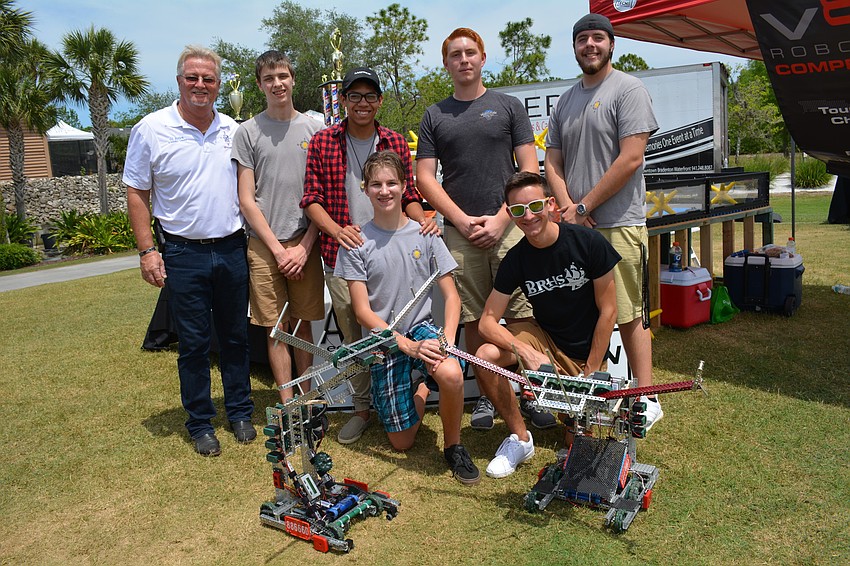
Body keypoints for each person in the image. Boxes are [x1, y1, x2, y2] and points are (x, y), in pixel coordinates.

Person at [125, 45, 254, 457]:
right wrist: (148, 250)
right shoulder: (150, 128)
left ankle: (240, 412)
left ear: (218, 85)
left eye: (209, 79)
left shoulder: (233, 130)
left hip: (233, 248)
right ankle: (200, 422)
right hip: (182, 252)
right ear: (179, 81)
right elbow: (136, 191)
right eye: (192, 78)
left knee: (236, 337)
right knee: (195, 343)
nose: (201, 85)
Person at [416, 28, 548, 432]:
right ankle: (489, 398)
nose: (463, 60)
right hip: (460, 233)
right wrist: (458, 219)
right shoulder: (435, 115)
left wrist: (503, 217)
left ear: (483, 58)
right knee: (474, 320)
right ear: (446, 64)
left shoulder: (508, 107)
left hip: (510, 227)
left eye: (470, 52)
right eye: (455, 54)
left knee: (522, 313)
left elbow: (529, 169)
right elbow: (425, 178)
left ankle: (532, 393)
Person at [301, 67, 437, 445]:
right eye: (354, 96)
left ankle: (408, 390)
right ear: (343, 101)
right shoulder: (323, 141)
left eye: (370, 96)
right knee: (356, 335)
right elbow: (312, 200)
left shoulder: (392, 139)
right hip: (341, 254)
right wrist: (337, 230)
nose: (362, 103)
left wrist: (422, 223)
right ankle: (363, 408)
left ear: (379, 101)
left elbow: (409, 195)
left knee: (401, 325)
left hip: (392, 254)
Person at [544, 14, 663, 429]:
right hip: (577, 226)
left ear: (612, 45)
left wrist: (585, 205)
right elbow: (552, 162)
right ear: (574, 47)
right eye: (582, 39)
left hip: (618, 224)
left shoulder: (628, 89)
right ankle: (584, 393)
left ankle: (645, 400)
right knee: (589, 313)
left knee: (630, 314)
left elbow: (631, 157)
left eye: (598, 38)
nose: (590, 45)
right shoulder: (565, 101)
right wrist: (570, 208)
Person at [334, 150, 479, 485]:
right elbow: (363, 311)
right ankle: (423, 386)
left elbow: (452, 297)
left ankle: (454, 446)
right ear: (365, 189)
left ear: (404, 186)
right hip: (384, 339)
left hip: (422, 328)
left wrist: (446, 341)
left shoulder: (425, 233)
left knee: (453, 374)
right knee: (402, 443)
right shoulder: (355, 243)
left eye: (391, 183)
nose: (384, 191)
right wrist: (409, 350)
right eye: (376, 184)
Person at [476, 172, 620, 478]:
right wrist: (525, 353)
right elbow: (487, 322)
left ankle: (577, 416)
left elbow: (609, 312)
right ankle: (520, 438)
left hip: (585, 356)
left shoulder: (589, 243)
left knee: (577, 443)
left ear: (551, 203)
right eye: (517, 210)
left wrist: (591, 371)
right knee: (486, 355)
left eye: (535, 206)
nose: (527, 216)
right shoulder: (515, 259)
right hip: (544, 341)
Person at [232, 50, 324, 403]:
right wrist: (277, 249)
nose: (277, 84)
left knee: (303, 325)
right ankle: (288, 403)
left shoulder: (315, 130)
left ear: (293, 79)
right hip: (264, 244)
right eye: (269, 78)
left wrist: (303, 247)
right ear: (259, 85)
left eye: (282, 76)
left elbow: (323, 196)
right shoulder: (247, 132)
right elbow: (246, 199)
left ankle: (309, 399)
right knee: (277, 328)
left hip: (305, 242)